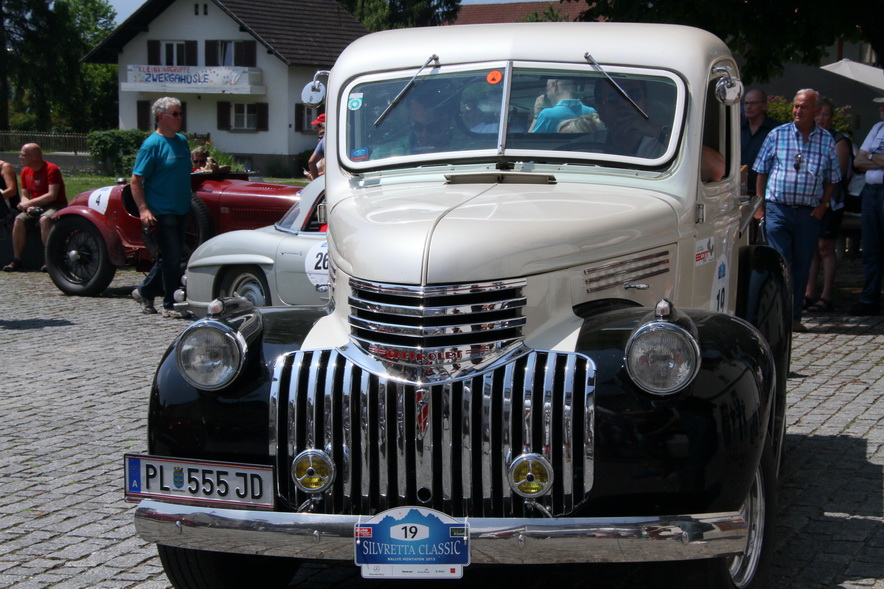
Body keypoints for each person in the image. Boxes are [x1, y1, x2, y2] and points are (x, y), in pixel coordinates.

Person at [753, 89, 841, 332]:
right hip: (778, 209)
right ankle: (775, 317)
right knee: (781, 262)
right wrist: (760, 206)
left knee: (802, 266)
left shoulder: (826, 140)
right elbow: (761, 171)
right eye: (796, 106)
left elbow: (833, 178)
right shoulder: (777, 134)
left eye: (804, 107)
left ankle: (793, 317)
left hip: (808, 213)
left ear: (816, 111)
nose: (798, 111)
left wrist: (823, 206)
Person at [129, 97, 193, 319]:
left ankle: (145, 291)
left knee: (172, 257)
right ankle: (170, 305)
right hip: (161, 210)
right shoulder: (152, 145)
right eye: (175, 114)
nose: (179, 118)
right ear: (160, 116)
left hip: (181, 207)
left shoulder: (182, 141)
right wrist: (144, 209)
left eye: (180, 113)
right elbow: (136, 180)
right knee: (172, 257)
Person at [805, 98, 852, 313]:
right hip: (809, 200)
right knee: (812, 248)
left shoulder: (839, 140)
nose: (821, 118)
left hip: (831, 201)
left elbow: (837, 173)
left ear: (831, 117)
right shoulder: (809, 137)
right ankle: (809, 293)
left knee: (825, 247)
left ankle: (826, 295)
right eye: (818, 114)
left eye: (825, 114)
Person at [3, 143, 67, 272]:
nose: (20, 157)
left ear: (33, 156)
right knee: (19, 220)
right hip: (35, 206)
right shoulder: (25, 171)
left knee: (45, 219)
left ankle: (50, 259)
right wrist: (27, 206)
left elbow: (52, 195)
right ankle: (17, 259)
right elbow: (25, 195)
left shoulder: (51, 169)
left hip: (55, 205)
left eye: (23, 154)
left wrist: (29, 203)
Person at [848, 96, 884, 316]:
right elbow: (858, 161)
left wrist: (871, 156)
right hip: (871, 193)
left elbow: (865, 158)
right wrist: (877, 157)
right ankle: (869, 298)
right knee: (871, 248)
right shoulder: (878, 128)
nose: (881, 108)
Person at [370, 84, 454, 159]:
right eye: (417, 126)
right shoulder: (383, 155)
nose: (424, 134)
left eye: (433, 128)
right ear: (409, 121)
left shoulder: (461, 149)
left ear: (447, 121)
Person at [593, 78, 666, 157]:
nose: (625, 103)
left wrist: (660, 133)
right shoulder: (588, 145)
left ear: (645, 103)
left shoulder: (666, 146)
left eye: (634, 94)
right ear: (600, 110)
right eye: (614, 97)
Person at [740, 89, 777, 196]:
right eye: (746, 103)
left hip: (765, 193)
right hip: (737, 192)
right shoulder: (737, 128)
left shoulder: (775, 131)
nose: (748, 107)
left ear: (764, 105)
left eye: (753, 103)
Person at [530, 78, 596, 133]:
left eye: (547, 88)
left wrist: (536, 115)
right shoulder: (591, 112)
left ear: (554, 85)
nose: (547, 94)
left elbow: (530, 141)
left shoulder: (546, 115)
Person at [306, 113, 325, 180]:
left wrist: (315, 179)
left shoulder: (324, 140)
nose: (316, 128)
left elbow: (311, 162)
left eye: (318, 125)